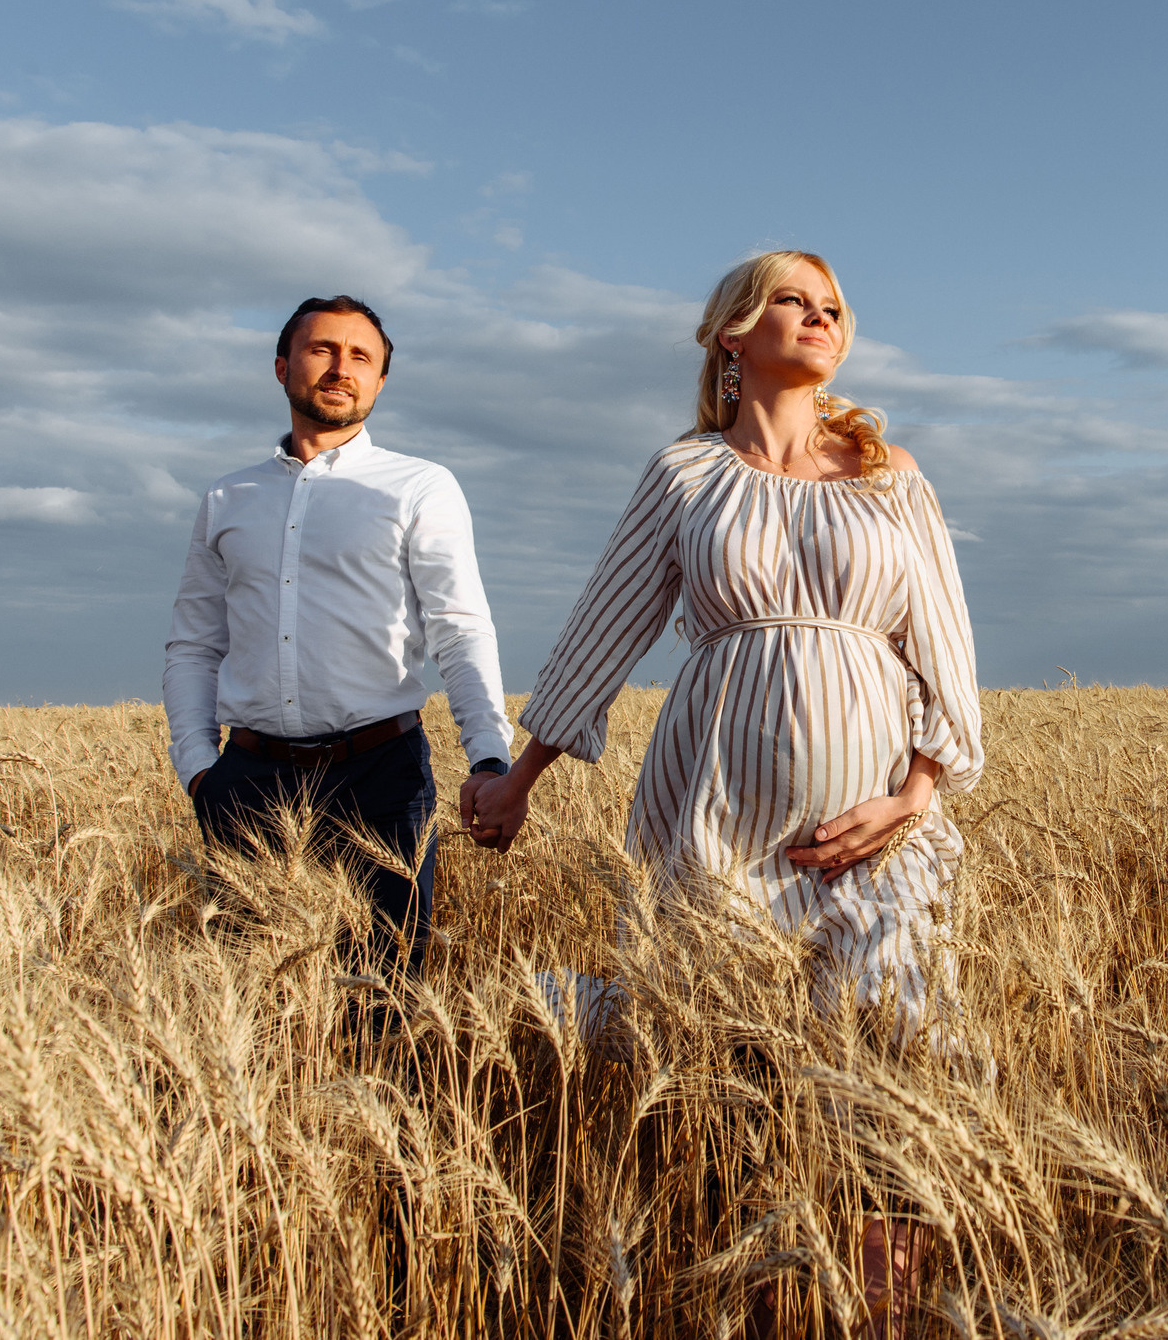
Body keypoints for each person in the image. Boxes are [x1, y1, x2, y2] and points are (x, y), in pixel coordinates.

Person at [460, 250, 982, 1338]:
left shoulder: (891, 473)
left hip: (873, 828)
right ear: (731, 333)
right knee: (729, 1063)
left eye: (833, 304)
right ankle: (765, 1303)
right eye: (794, 297)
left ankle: (885, 1315)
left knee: (892, 1061)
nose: (821, 314)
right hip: (716, 808)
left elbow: (942, 640)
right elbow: (607, 620)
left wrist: (916, 794)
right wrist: (520, 777)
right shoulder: (686, 472)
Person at [164, 295, 512, 972]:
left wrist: (489, 757)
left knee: (382, 994)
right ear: (282, 365)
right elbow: (194, 643)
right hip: (249, 779)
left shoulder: (420, 487)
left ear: (380, 380)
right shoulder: (227, 498)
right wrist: (199, 769)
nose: (340, 367)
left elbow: (459, 626)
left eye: (361, 356)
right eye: (322, 349)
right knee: (254, 1000)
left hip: (381, 778)